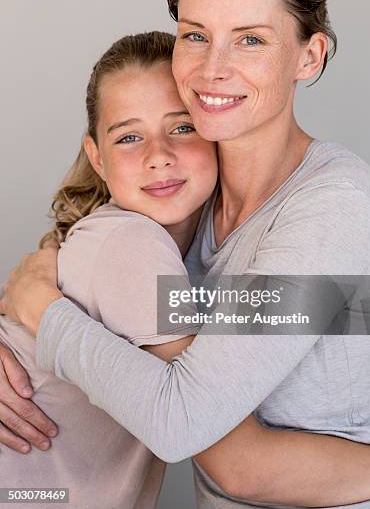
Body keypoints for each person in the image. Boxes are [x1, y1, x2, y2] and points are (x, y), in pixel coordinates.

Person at [1, 0, 370, 508]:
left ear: (309, 56)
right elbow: (333, 338)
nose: (213, 69)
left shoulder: (334, 206)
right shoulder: (188, 199)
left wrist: (46, 312)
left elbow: (210, 437)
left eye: (250, 38)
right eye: (195, 34)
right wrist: (28, 300)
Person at [0, 31, 218, 508]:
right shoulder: (131, 242)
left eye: (181, 127)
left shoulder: (178, 254)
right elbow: (207, 424)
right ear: (97, 157)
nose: (157, 155)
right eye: (129, 136)